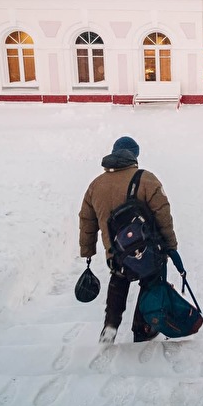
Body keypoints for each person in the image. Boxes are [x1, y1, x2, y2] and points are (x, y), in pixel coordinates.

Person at [78, 136, 179, 344]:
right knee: (150, 281)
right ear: (135, 156)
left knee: (118, 280)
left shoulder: (95, 185)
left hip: (116, 252)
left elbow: (86, 219)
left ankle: (110, 325)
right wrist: (170, 245)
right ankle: (142, 328)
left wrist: (88, 251)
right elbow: (163, 214)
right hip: (146, 250)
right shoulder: (147, 179)